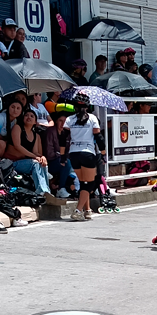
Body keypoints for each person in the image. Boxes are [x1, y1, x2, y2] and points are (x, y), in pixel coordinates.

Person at [66, 92, 104, 221]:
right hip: (87, 153)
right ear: (87, 106)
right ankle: (78, 210)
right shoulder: (92, 118)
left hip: (73, 153)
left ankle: (87, 210)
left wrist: (63, 156)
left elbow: (63, 138)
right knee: (89, 184)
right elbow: (98, 137)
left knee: (83, 183)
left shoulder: (69, 119)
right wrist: (103, 153)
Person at [7, 108, 53, 197]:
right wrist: (35, 157)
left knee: (41, 163)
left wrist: (42, 157)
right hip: (13, 162)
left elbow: (35, 152)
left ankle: (47, 192)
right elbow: (17, 146)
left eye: (32, 116)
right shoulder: (17, 127)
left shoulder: (35, 135)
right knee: (35, 163)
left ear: (35, 122)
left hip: (26, 162)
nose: (29, 117)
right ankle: (42, 192)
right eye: (26, 115)